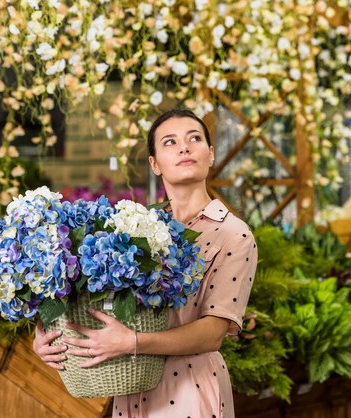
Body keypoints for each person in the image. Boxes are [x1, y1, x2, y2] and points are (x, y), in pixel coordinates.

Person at [33, 108, 258, 417]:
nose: (184, 147)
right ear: (154, 164)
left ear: (210, 154)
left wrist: (133, 342)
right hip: (131, 387)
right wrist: (45, 333)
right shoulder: (133, 227)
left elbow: (214, 331)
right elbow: (88, 295)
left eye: (195, 138)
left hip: (189, 390)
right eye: (169, 142)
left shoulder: (233, 233)